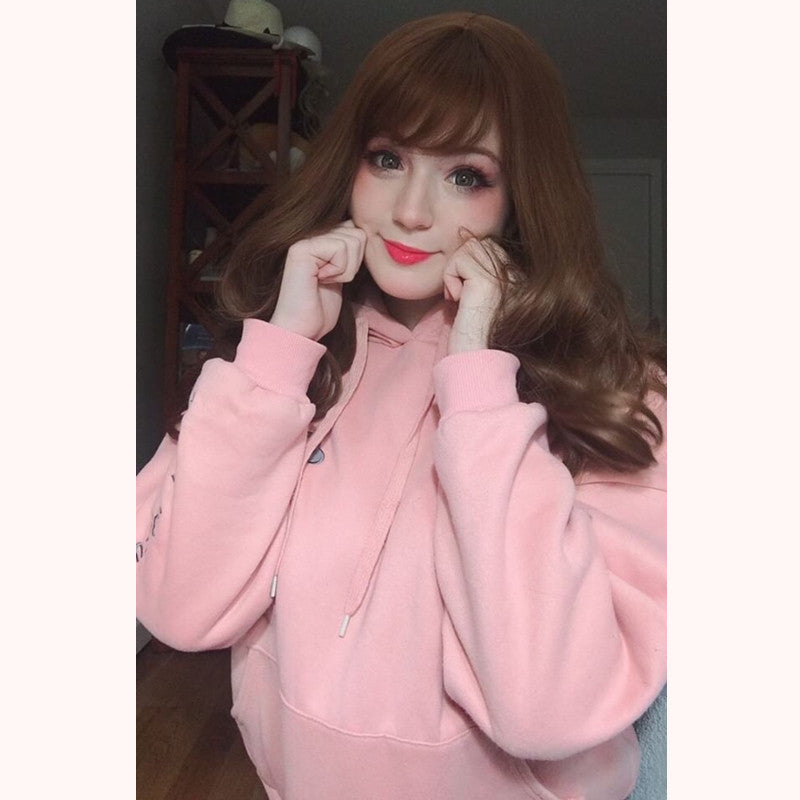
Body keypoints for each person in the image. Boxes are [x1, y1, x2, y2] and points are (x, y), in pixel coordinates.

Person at [137, 12, 666, 800]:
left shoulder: (617, 392)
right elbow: (180, 611)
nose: (412, 210)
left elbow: (549, 707)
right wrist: (279, 354)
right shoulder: (292, 364)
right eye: (387, 159)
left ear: (522, 195)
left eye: (466, 175)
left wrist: (480, 387)